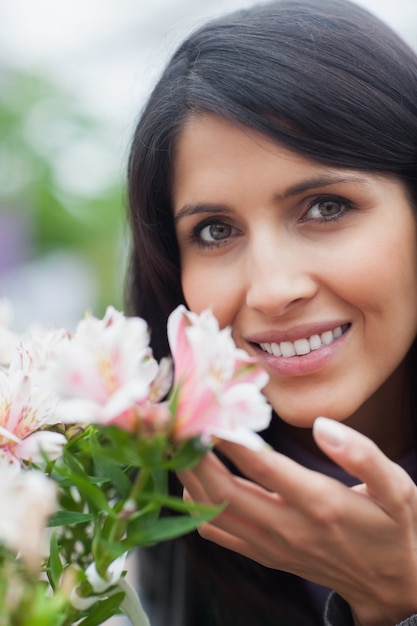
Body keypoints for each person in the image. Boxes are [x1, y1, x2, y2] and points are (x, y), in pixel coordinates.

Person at [125, 0, 417, 624]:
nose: (271, 290)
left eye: (326, 207)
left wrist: (400, 599)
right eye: (214, 230)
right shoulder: (153, 501)